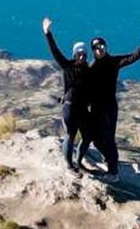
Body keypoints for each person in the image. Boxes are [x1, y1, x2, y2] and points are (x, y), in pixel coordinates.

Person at [83, 30, 140, 182]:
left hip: (109, 107)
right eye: (97, 48)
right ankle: (111, 160)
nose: (100, 49)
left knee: (109, 139)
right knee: (96, 140)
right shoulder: (90, 67)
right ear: (93, 50)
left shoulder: (113, 62)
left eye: (102, 46)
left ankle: (113, 172)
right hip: (95, 108)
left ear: (106, 47)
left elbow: (133, 56)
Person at [42, 16, 91, 173]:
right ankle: (69, 165)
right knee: (70, 136)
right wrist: (47, 32)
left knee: (87, 136)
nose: (82, 56)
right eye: (79, 53)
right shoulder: (66, 65)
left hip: (83, 108)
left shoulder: (89, 71)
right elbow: (54, 50)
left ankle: (79, 161)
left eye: (84, 54)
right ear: (75, 54)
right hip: (69, 107)